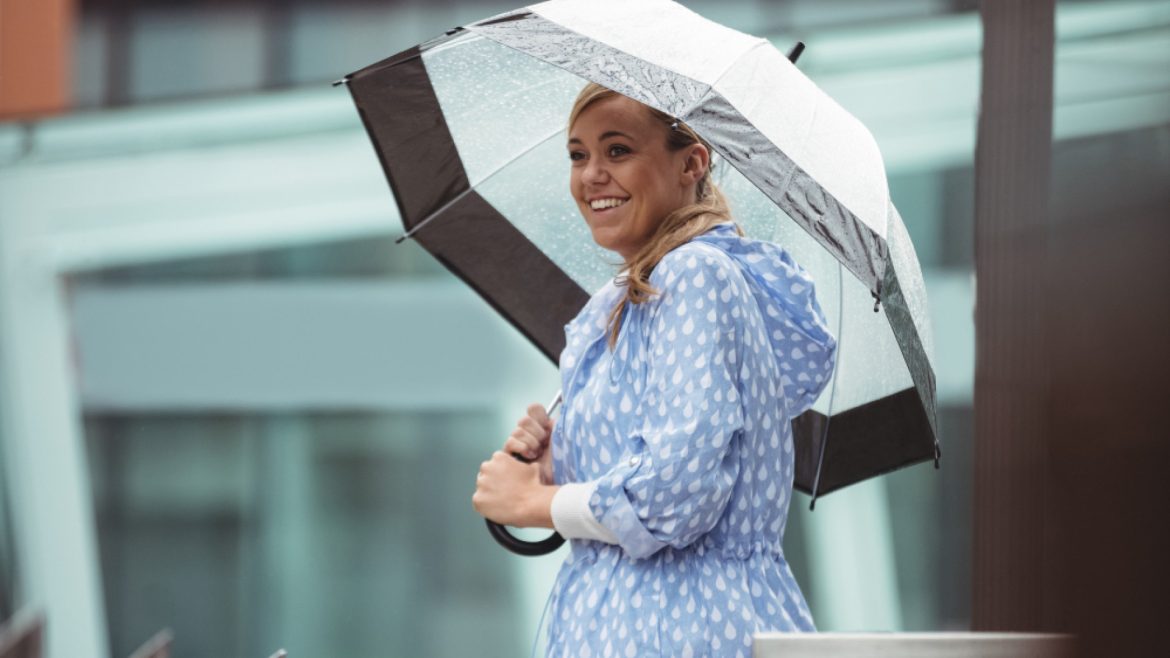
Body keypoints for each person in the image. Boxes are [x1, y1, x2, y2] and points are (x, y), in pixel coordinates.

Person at [472, 83, 837, 658]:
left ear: (692, 163)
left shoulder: (692, 277)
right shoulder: (639, 296)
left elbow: (673, 495)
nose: (591, 175)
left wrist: (533, 504)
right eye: (578, 155)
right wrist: (559, 465)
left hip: (679, 630)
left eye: (617, 150)